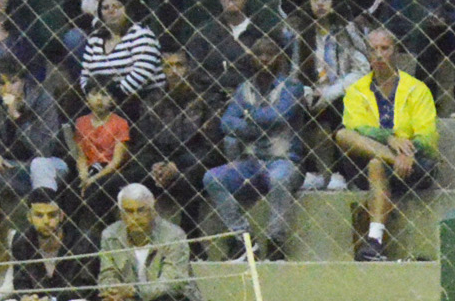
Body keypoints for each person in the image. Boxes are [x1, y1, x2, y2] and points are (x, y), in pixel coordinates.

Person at [335, 28, 438, 260]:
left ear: (396, 52)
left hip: (414, 162)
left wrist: (409, 151)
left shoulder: (417, 89)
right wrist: (390, 140)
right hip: (370, 161)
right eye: (373, 49)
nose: (379, 55)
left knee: (376, 163)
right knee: (344, 136)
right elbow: (356, 127)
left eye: (385, 48)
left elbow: (427, 137)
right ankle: (375, 241)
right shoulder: (356, 91)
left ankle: (374, 241)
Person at [204, 36, 306, 259]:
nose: (264, 59)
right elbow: (226, 122)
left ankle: (275, 243)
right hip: (250, 162)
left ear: (280, 58)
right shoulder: (244, 89)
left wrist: (248, 117)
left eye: (270, 54)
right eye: (259, 54)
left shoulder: (292, 87)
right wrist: (257, 124)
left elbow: (279, 116)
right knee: (212, 178)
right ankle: (242, 239)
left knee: (280, 179)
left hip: (284, 160)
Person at [289, 0, 372, 180]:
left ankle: (339, 172)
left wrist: (332, 92)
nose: (319, 4)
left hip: (340, 91)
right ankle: (309, 171)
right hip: (313, 92)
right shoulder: (303, 34)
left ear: (335, 3)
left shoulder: (346, 31)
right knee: (294, 104)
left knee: (340, 106)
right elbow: (295, 73)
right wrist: (307, 91)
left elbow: (362, 69)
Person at [130, 51, 216, 238]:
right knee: (131, 176)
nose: (173, 71)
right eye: (168, 66)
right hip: (158, 163)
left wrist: (176, 167)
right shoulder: (152, 100)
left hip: (191, 163)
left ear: (189, 68)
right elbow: (143, 142)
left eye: (179, 65)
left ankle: (191, 239)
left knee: (190, 179)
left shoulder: (206, 99)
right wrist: (156, 165)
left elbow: (211, 147)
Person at [0, 61, 64, 204]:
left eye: (13, 82)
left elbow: (45, 148)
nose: (7, 89)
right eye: (1, 84)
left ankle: (42, 215)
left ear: (23, 81)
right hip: (11, 167)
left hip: (49, 165)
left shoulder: (42, 99)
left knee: (39, 164)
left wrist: (16, 116)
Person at [67, 81, 134, 241]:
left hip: (111, 171)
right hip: (89, 168)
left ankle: (107, 235)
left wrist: (93, 179)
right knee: (69, 191)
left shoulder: (120, 123)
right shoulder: (80, 122)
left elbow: (116, 161)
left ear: (113, 100)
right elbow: (80, 155)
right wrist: (83, 176)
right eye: (94, 94)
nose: (99, 99)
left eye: (104, 94)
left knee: (97, 190)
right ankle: (70, 238)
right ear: (86, 99)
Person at [76, 0, 162, 103]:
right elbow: (85, 75)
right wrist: (91, 95)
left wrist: (116, 94)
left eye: (117, 6)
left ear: (127, 10)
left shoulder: (141, 34)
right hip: (102, 101)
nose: (111, 11)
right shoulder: (94, 39)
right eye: (105, 8)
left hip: (139, 99)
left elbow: (143, 71)